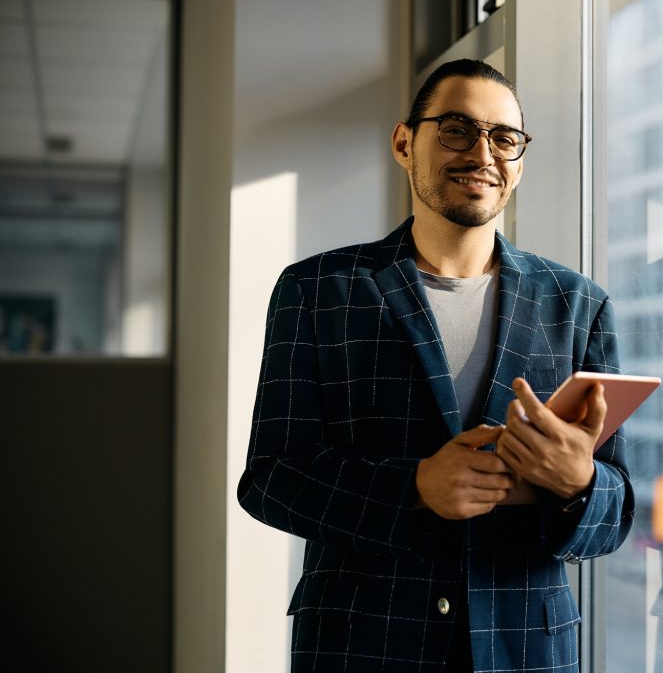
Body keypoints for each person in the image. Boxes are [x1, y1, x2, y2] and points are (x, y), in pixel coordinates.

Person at [237, 58, 634, 672]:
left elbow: (617, 511)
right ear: (404, 143)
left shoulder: (578, 304)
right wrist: (414, 489)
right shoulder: (317, 289)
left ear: (520, 161)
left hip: (525, 650)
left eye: (504, 138)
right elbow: (271, 479)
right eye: (456, 128)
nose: (483, 152)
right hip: (362, 645)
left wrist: (579, 483)